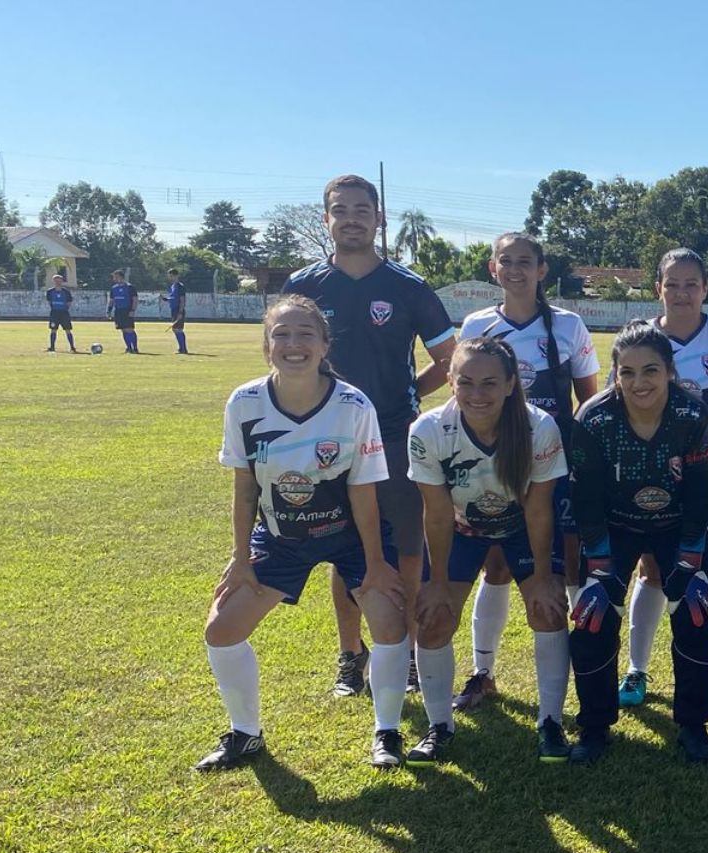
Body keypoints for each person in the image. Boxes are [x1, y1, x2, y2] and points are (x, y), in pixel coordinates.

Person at [195, 296, 410, 771]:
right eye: (281, 334)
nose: (294, 344)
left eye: (305, 334)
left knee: (392, 624)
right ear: (267, 345)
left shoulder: (353, 405)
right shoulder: (245, 401)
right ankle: (245, 735)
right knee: (221, 630)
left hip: (353, 537)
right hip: (281, 538)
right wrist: (241, 557)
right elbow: (245, 484)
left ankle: (387, 732)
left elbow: (363, 490)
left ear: (324, 344)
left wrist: (375, 564)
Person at [282, 174, 458, 698]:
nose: (352, 218)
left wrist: (408, 393)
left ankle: (400, 652)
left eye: (362, 210)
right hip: (325, 442)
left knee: (406, 548)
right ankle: (350, 653)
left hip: (395, 436)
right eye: (341, 210)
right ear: (327, 219)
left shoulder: (408, 287)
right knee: (345, 549)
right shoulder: (305, 286)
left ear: (379, 219)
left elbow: (448, 362)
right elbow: (286, 357)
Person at [449, 233, 599, 712]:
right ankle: (482, 671)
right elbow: (464, 391)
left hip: (553, 462)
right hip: (493, 460)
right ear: (494, 269)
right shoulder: (477, 323)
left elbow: (587, 399)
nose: (515, 270)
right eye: (505, 262)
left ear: (542, 270)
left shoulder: (568, 325)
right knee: (496, 563)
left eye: (525, 262)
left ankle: (585, 670)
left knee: (566, 563)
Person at [560, 322, 708, 765]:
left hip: (676, 526)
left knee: (696, 614)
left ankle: (693, 723)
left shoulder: (693, 415)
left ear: (670, 371)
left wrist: (691, 560)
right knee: (593, 619)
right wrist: (597, 565)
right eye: (626, 372)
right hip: (612, 528)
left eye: (650, 370)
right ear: (614, 374)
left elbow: (701, 491)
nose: (638, 382)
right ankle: (593, 725)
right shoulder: (593, 418)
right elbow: (586, 496)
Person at [404, 337, 569, 767]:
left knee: (548, 610)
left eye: (490, 383)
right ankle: (439, 726)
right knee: (435, 617)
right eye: (466, 382)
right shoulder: (428, 430)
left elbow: (538, 510)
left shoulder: (539, 427)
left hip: (520, 527)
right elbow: (437, 514)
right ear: (450, 381)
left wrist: (545, 579)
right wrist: (437, 583)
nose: (477, 395)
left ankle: (550, 721)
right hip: (461, 529)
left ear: (512, 383)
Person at [618, 248, 708, 708]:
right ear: (657, 287)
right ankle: (636, 671)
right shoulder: (642, 339)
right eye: (672, 284)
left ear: (705, 287)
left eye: (691, 284)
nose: (682, 293)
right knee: (654, 568)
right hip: (657, 476)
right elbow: (622, 402)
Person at [107, 269, 140, 354]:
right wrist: (109, 310)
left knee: (129, 329)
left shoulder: (130, 287)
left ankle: (135, 348)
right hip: (118, 311)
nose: (114, 278)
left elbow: (135, 299)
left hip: (127, 310)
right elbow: (111, 300)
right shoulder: (114, 288)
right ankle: (128, 348)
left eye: (115, 276)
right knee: (123, 329)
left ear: (120, 276)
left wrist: (133, 310)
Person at [45, 273, 76, 353]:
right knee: (53, 330)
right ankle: (52, 347)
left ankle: (72, 347)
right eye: (56, 281)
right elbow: (49, 302)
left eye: (59, 281)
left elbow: (69, 302)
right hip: (54, 313)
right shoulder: (50, 291)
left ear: (62, 281)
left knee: (68, 330)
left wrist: (65, 309)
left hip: (64, 313)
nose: (58, 282)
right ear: (54, 281)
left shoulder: (66, 292)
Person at [164, 269, 189, 354]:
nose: (170, 278)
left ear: (176, 276)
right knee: (175, 329)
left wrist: (180, 312)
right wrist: (165, 299)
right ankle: (181, 348)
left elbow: (182, 300)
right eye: (170, 276)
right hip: (174, 309)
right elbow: (173, 298)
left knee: (178, 329)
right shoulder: (173, 286)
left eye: (172, 276)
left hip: (178, 309)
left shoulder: (180, 286)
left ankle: (183, 349)